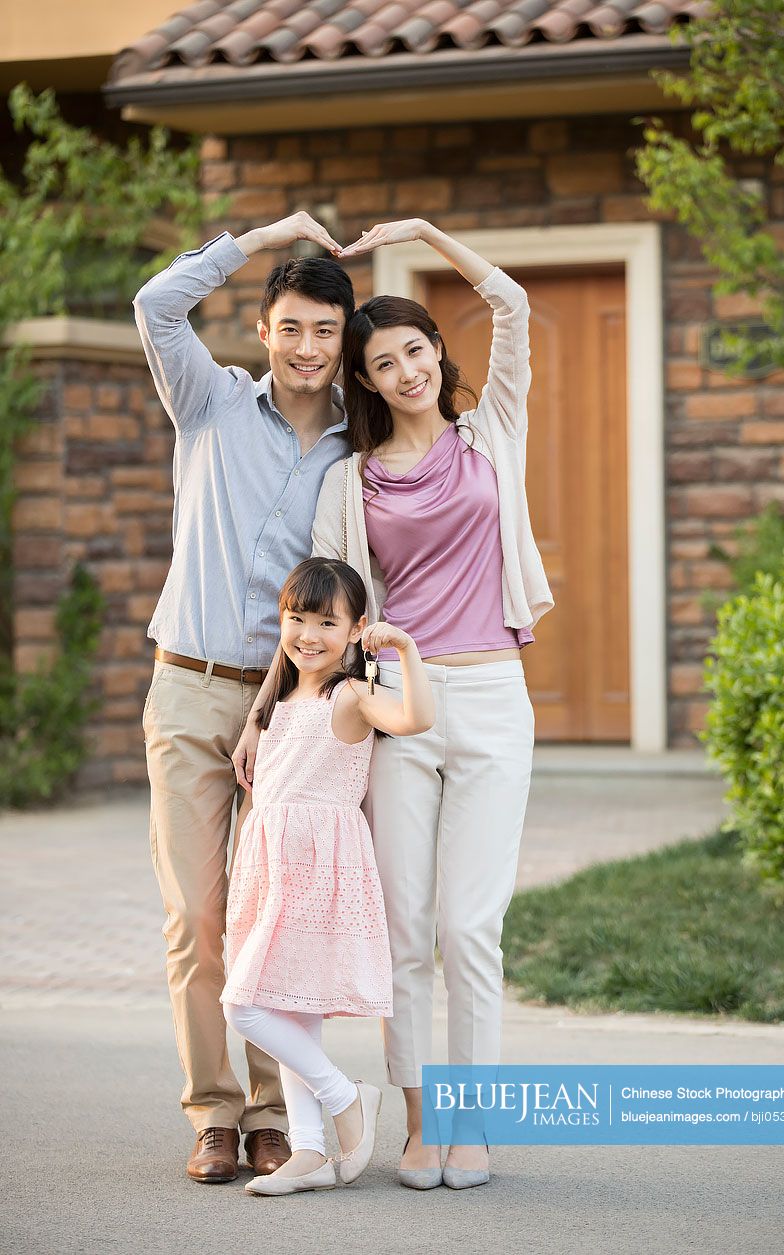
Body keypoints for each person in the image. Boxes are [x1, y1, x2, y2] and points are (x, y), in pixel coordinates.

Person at [235, 218, 553, 1191]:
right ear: (363, 381)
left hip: (493, 692)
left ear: (436, 355)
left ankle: (473, 1122)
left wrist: (424, 235)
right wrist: (261, 711)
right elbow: (324, 620)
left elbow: (515, 303)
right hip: (397, 700)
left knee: (471, 927)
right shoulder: (350, 480)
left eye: (418, 349)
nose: (408, 369)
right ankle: (418, 1124)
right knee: (409, 930)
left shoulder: (491, 429)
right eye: (384, 360)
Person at [134, 211, 354, 1184]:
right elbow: (155, 302)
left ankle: (274, 1109)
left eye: (326, 331)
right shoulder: (209, 403)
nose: (308, 348)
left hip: (288, 713)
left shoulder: (357, 456)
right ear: (264, 330)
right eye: (292, 327)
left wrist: (278, 714)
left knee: (272, 916)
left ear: (343, 343)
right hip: (186, 689)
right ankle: (214, 1111)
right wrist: (263, 235)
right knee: (197, 916)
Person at [222, 557, 434, 1196]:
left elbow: (415, 720)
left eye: (325, 622)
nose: (308, 635)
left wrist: (406, 650)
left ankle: (346, 1098)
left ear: (354, 629)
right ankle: (310, 1151)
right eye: (296, 619)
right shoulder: (282, 698)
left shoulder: (350, 696)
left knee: (244, 1003)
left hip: (321, 872)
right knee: (290, 1007)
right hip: (273, 866)